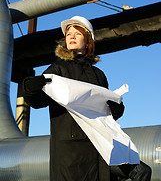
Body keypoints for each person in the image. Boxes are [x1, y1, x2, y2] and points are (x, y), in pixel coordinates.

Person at [22, 16, 151, 181]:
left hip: (101, 146)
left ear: (88, 40)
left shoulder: (99, 75)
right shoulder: (58, 69)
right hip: (73, 152)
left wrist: (116, 109)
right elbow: (38, 101)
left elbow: (102, 113)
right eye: (69, 34)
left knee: (142, 172)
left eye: (77, 33)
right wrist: (30, 87)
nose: (72, 37)